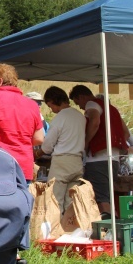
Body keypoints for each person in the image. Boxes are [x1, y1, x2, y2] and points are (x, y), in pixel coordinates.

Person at [68, 85, 129, 218]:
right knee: (108, 196)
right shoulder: (111, 108)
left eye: (78, 103)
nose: (80, 107)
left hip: (98, 159)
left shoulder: (92, 104)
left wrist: (87, 143)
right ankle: (115, 225)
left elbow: (95, 122)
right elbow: (126, 133)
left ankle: (108, 230)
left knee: (101, 198)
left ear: (82, 97)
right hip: (114, 159)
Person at [33, 86, 86, 214]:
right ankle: (69, 228)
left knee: (55, 200)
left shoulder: (60, 118)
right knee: (70, 201)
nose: (52, 110)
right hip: (77, 161)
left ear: (52, 101)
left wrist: (37, 153)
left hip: (62, 161)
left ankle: (54, 230)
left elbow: (47, 146)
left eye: (50, 106)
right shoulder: (80, 116)